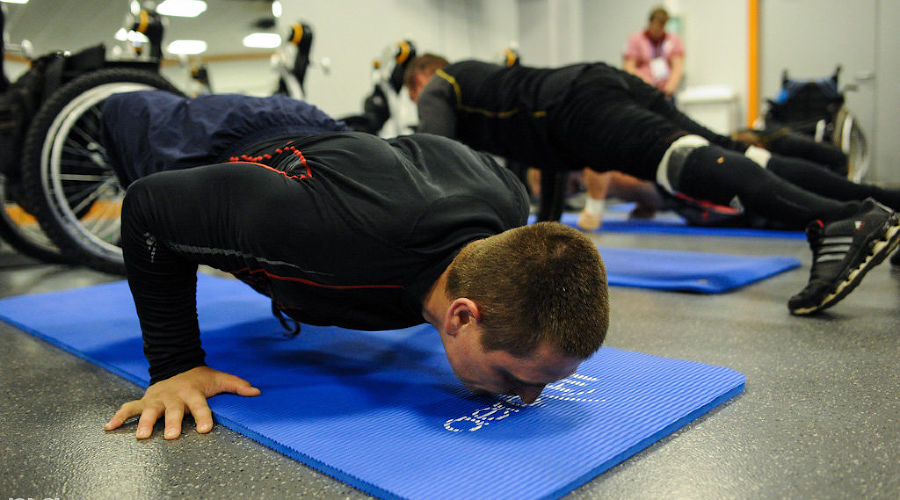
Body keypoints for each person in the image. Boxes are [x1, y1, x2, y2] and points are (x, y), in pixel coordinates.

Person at [99, 90, 610, 440]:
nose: (527, 397)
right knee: (119, 110)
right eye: (516, 376)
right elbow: (146, 209)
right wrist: (175, 366)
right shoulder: (314, 236)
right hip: (222, 141)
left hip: (327, 137)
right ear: (460, 316)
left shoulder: (506, 206)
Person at [404, 54, 900, 316]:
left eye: (413, 87)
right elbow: (546, 161)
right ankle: (880, 206)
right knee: (744, 154)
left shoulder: (442, 83)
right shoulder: (493, 86)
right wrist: (543, 245)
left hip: (575, 106)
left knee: (686, 163)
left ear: (422, 73)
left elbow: (433, 156)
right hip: (594, 88)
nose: (416, 97)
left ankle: (835, 221)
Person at [623, 6, 684, 99]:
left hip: (665, 92)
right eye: (655, 26)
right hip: (643, 91)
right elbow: (629, 67)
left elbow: (677, 66)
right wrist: (645, 81)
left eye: (661, 27)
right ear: (650, 23)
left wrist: (670, 87)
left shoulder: (673, 40)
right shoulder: (636, 39)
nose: (657, 30)